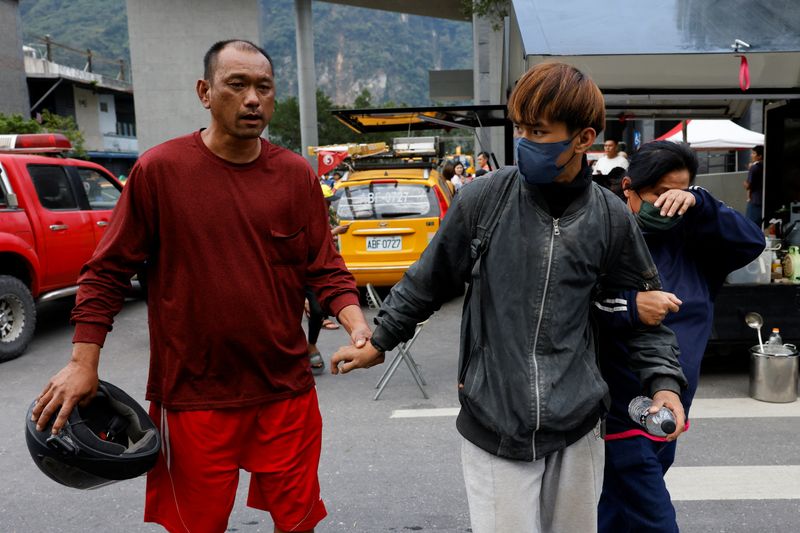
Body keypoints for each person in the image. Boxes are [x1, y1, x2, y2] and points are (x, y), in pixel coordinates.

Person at [31, 39, 372, 533]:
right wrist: (84, 363)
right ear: (204, 92)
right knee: (196, 526)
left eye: (264, 87)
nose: (253, 98)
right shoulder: (160, 171)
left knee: (297, 522)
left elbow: (324, 267)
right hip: (193, 396)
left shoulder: (295, 175)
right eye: (237, 85)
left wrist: (356, 323)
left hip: (285, 391)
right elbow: (105, 272)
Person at [331, 62, 688, 533]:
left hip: (578, 424)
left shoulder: (610, 218)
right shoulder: (483, 199)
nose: (523, 141)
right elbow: (428, 280)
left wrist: (664, 382)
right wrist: (381, 339)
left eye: (538, 131)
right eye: (520, 127)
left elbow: (649, 310)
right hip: (493, 420)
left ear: (582, 139)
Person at [594, 141, 764, 533]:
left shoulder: (694, 241)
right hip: (623, 409)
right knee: (653, 519)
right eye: (658, 194)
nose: (666, 204)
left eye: (679, 192)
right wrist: (632, 306)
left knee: (616, 512)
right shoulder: (606, 235)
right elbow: (581, 305)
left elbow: (750, 242)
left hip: (673, 407)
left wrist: (700, 203)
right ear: (629, 188)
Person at [743, 145, 764, 226]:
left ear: (759, 156)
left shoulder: (754, 167)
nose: (751, 155)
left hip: (755, 200)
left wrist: (745, 182)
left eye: (754, 153)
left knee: (750, 225)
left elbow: (748, 186)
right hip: (763, 200)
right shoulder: (764, 166)